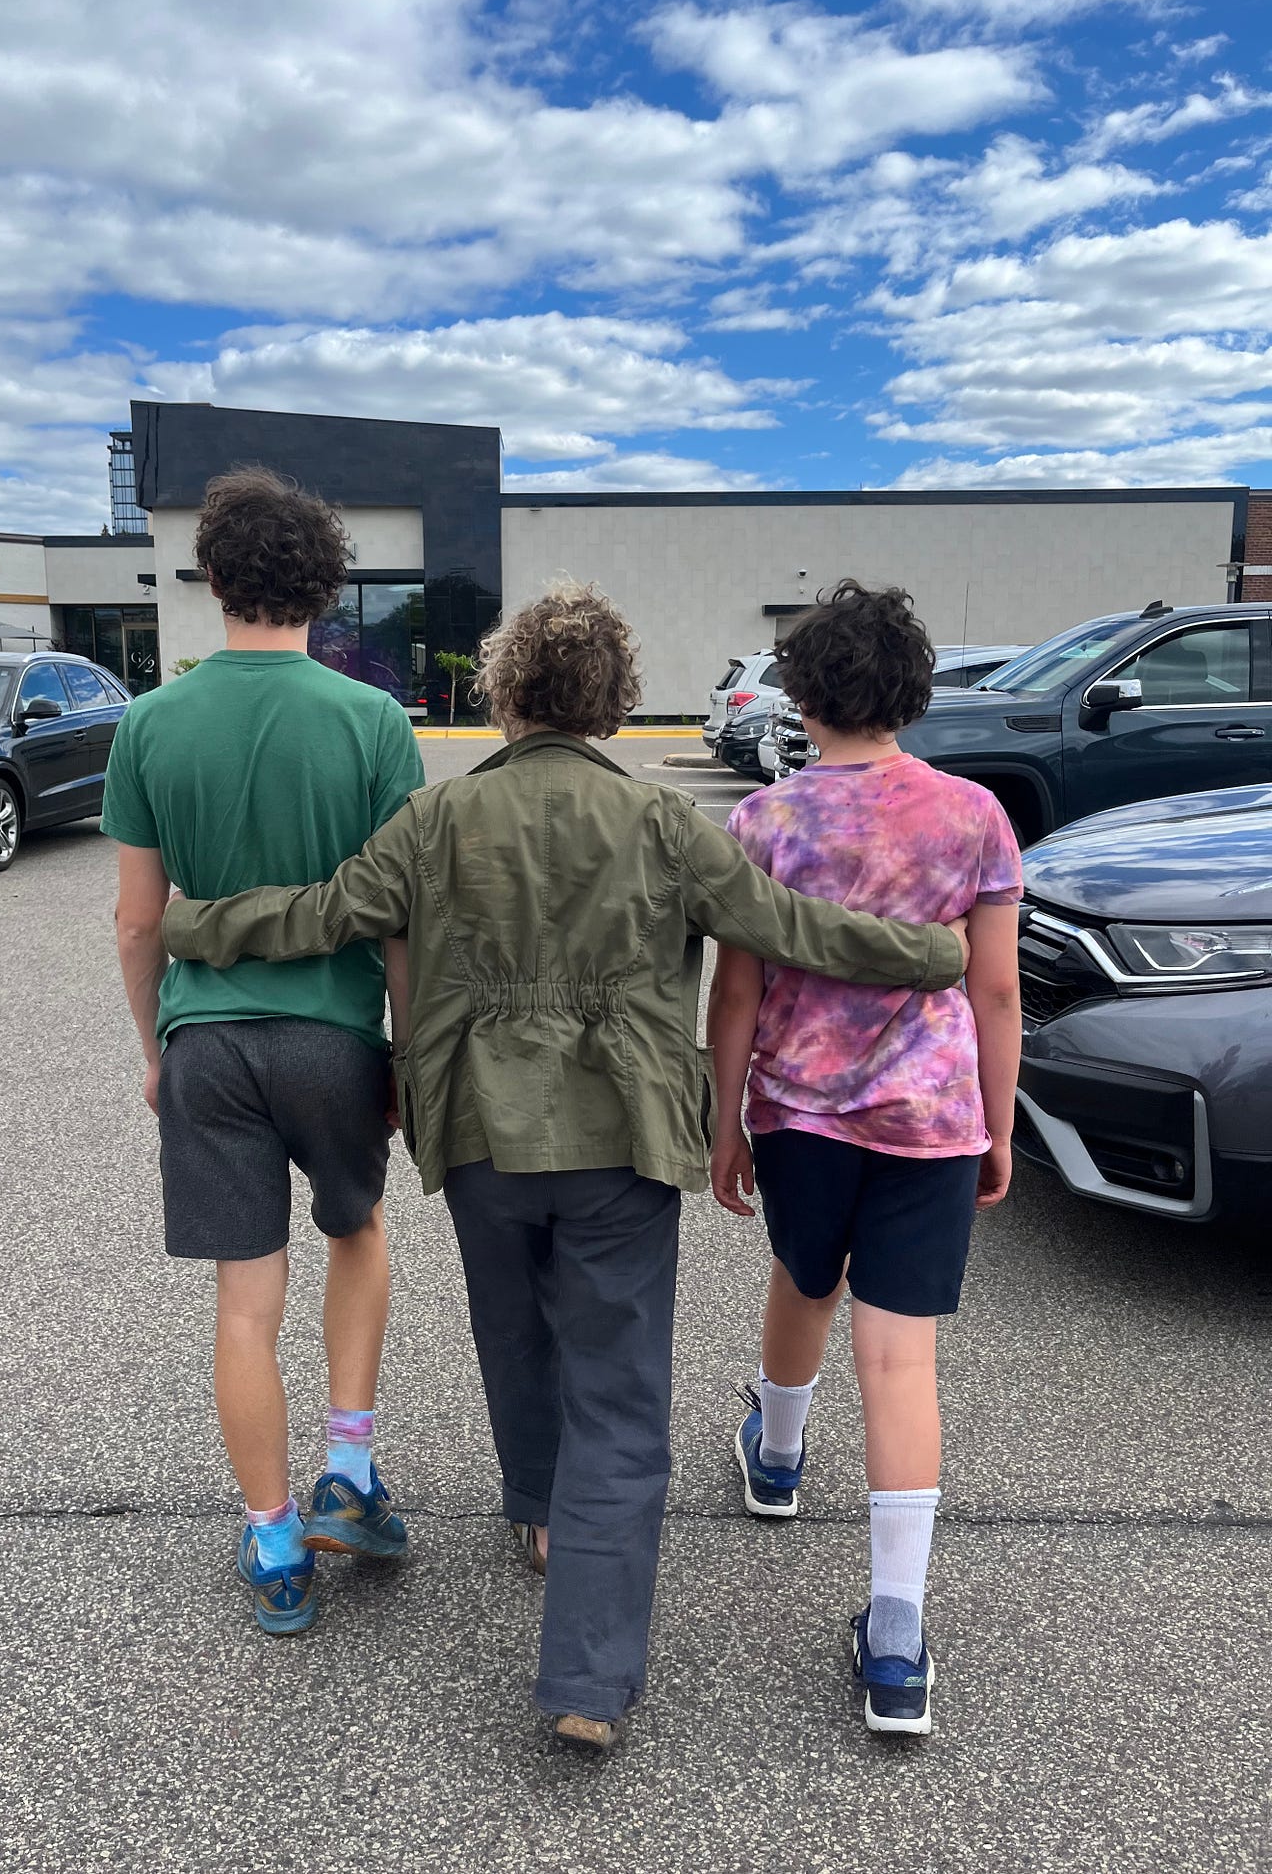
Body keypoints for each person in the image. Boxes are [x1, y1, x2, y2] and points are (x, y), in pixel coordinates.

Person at [161, 582, 969, 1748]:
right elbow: (786, 927)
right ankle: (586, 1677)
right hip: (623, 1133)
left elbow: (324, 912)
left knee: (516, 1332)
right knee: (622, 1392)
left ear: (504, 695)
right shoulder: (660, 824)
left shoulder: (439, 821)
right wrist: (927, 953)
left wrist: (198, 927)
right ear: (612, 703)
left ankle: (541, 1510)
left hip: (483, 1131)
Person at [101, 467, 423, 1637]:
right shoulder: (373, 723)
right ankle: (351, 1465)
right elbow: (398, 921)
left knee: (246, 1301)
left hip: (208, 1045)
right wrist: (404, 1052)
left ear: (215, 579)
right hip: (334, 1038)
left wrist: (154, 1043)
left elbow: (139, 920)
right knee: (357, 1230)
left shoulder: (150, 722)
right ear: (324, 588)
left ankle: (278, 1539)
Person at [707, 578, 1022, 1737]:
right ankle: (895, 1632)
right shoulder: (975, 818)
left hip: (798, 1108)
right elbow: (994, 987)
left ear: (800, 693)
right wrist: (995, 1118)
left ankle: (778, 1458)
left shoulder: (766, 824)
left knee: (802, 1278)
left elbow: (736, 987)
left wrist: (721, 1116)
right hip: (930, 1117)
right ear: (914, 691)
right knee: (901, 1361)